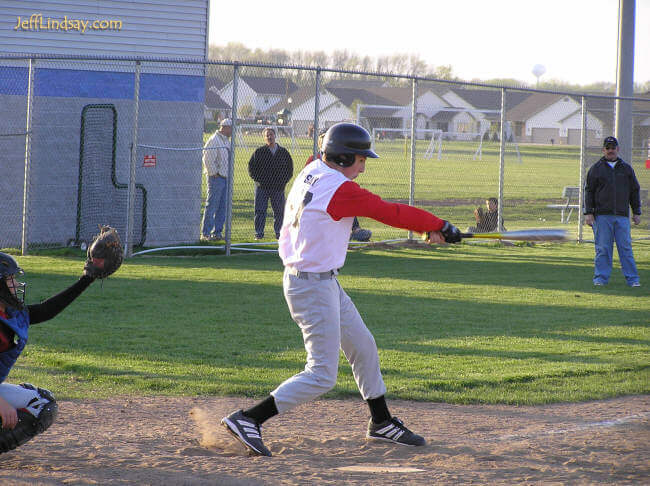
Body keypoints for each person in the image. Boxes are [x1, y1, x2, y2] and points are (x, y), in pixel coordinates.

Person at [221, 122, 462, 457]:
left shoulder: (313, 168)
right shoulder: (340, 189)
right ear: (343, 156)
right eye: (360, 159)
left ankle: (382, 422)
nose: (364, 165)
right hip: (311, 286)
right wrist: (438, 226)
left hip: (322, 280)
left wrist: (427, 230)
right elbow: (388, 212)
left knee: (363, 345)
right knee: (322, 374)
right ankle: (249, 419)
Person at [0, 252, 101, 453]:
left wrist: (87, 278)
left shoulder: (8, 313)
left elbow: (47, 310)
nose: (15, 284)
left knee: (42, 403)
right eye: (9, 279)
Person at [584, 136, 641, 287]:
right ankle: (600, 279)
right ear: (603, 150)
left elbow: (634, 191)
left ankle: (633, 279)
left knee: (625, 249)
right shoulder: (596, 169)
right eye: (607, 148)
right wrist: (588, 213)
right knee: (603, 249)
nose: (610, 150)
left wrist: (636, 212)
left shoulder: (627, 169)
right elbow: (589, 191)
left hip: (622, 216)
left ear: (618, 149)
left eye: (613, 147)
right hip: (602, 216)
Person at [307, 131, 372, 242]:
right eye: (323, 140)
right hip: (319, 194)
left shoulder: (337, 158)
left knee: (348, 204)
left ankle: (355, 229)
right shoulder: (314, 159)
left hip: (334, 191)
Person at [248, 128, 294, 240]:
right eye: (267, 135)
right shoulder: (259, 152)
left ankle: (279, 233)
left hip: (278, 188)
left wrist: (283, 182)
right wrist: (258, 180)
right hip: (262, 188)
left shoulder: (283, 152)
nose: (269, 137)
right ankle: (259, 233)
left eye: (271, 135)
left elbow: (290, 169)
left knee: (279, 212)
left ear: (275, 136)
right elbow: (251, 168)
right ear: (264, 138)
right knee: (260, 211)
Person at [200, 118, 232, 242]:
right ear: (225, 128)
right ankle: (206, 233)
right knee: (212, 205)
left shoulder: (226, 141)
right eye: (230, 128)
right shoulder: (214, 140)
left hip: (225, 176)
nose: (231, 131)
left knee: (222, 207)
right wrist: (214, 173)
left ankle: (217, 232)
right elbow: (207, 158)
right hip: (216, 177)